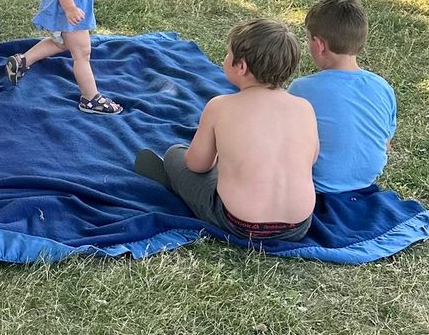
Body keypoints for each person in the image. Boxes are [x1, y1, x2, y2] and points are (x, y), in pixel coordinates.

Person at [133, 18, 319, 242]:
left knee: (175, 154)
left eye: (228, 54)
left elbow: (197, 164)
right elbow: (311, 158)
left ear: (241, 66)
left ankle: (176, 181)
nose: (225, 58)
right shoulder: (304, 107)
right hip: (298, 226)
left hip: (239, 223)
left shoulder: (221, 106)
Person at [287, 0, 396, 192]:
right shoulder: (383, 87)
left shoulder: (301, 88)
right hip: (366, 181)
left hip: (315, 185)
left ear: (319, 45)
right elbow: (386, 143)